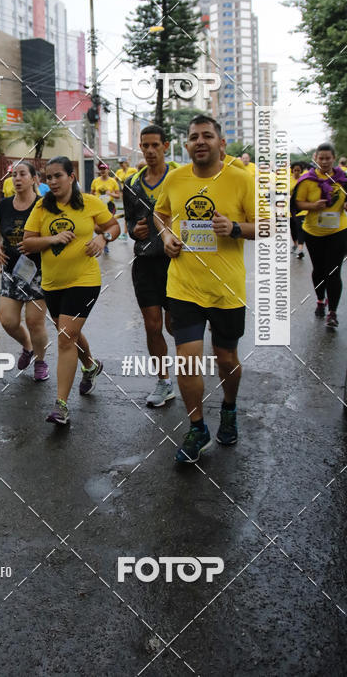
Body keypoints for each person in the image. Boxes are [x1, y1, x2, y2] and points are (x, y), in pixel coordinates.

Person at [154, 115, 256, 463]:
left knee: (226, 358)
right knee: (186, 361)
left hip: (227, 289)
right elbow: (160, 213)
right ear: (187, 145)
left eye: (207, 136)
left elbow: (269, 225)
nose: (200, 141)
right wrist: (167, 236)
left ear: (221, 143)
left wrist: (236, 228)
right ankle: (197, 427)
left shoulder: (241, 179)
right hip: (184, 286)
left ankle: (229, 407)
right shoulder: (176, 178)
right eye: (194, 136)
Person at [21, 156, 120, 425]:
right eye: (48, 177)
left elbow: (113, 225)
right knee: (69, 334)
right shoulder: (42, 207)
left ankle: (60, 406)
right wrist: (52, 238)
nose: (52, 181)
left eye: (58, 176)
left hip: (84, 280)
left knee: (65, 338)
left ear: (71, 176)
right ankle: (90, 366)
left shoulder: (90, 203)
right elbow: (27, 243)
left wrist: (102, 237)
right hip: (52, 284)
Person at [124, 125, 178, 407]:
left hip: (176, 264)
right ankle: (163, 382)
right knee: (152, 325)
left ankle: (191, 373)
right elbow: (129, 223)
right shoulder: (132, 184)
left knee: (173, 325)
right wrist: (135, 231)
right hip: (145, 263)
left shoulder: (179, 177)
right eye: (145, 145)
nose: (149, 150)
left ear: (165, 146)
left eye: (155, 145)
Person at [0, 161, 49, 382]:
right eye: (14, 175)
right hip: (11, 270)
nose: (17, 179)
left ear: (34, 178)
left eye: (22, 174)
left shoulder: (43, 205)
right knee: (8, 320)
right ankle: (28, 347)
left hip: (38, 271)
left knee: (35, 322)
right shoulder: (5, 205)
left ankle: (41, 361)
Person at [292, 143, 347, 329]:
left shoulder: (342, 178)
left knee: (334, 271)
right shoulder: (307, 180)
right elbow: (297, 203)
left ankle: (333, 312)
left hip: (337, 231)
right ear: (315, 158)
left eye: (328, 158)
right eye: (321, 158)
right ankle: (321, 300)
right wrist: (313, 206)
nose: (325, 161)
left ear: (334, 159)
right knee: (319, 270)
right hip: (313, 231)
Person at [90, 162, 119, 254]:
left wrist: (111, 194)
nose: (102, 171)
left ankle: (105, 242)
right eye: (101, 169)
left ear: (108, 170)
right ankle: (104, 238)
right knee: (97, 228)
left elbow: (118, 195)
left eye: (104, 169)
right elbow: (92, 193)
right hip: (98, 206)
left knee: (108, 225)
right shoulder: (95, 181)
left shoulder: (113, 181)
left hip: (109, 205)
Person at [289, 161, 307, 257]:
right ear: (292, 170)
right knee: (293, 228)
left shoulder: (303, 180)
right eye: (295, 170)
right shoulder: (288, 180)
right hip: (290, 208)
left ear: (301, 171)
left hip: (301, 208)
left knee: (300, 227)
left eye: (298, 170)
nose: (296, 172)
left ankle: (300, 249)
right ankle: (295, 244)